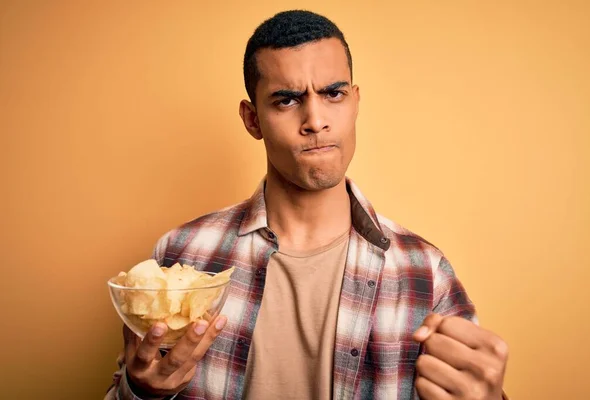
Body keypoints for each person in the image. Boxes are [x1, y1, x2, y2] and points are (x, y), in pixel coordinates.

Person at [106, 9, 509, 400]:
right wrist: (140, 393)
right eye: (286, 100)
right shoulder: (181, 255)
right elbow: (127, 385)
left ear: (354, 102)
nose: (315, 120)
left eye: (333, 94)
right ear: (252, 120)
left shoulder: (426, 273)